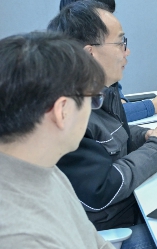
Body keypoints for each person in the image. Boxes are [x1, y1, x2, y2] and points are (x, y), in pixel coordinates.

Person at [47, 0, 157, 247]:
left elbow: (111, 135)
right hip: (110, 230)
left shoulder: (102, 90)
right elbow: (102, 190)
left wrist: (144, 136)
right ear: (89, 53)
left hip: (129, 209)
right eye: (120, 43)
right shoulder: (68, 114)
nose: (127, 52)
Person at [0, 32, 112, 248]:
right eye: (93, 99)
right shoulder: (22, 238)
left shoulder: (43, 166)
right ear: (63, 111)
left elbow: (94, 241)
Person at [59, 0, 157, 121]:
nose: (126, 52)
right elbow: (108, 116)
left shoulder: (103, 67)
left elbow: (116, 102)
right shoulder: (68, 76)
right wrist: (152, 106)